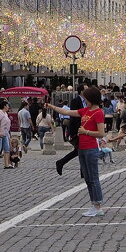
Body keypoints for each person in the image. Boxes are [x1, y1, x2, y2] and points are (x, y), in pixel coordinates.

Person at [48, 86, 107, 217]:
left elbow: (101, 133)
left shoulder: (98, 113)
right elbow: (68, 112)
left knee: (93, 178)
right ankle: (93, 204)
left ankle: (98, 206)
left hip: (91, 148)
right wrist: (52, 107)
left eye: (86, 98)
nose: (84, 100)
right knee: (87, 178)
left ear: (91, 98)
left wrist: (85, 132)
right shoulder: (85, 110)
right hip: (82, 148)